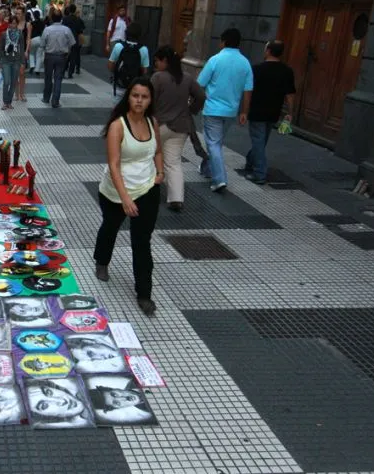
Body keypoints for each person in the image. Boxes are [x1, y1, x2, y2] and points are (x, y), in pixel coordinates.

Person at [93, 77, 163, 316]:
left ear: (150, 100)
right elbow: (114, 165)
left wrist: (160, 173)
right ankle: (102, 261)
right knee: (110, 226)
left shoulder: (153, 122)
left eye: (144, 97)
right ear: (128, 97)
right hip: (116, 191)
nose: (139, 101)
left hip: (147, 188)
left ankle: (144, 293)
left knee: (142, 241)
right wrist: (125, 199)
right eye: (135, 96)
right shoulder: (118, 125)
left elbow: (158, 151)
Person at [196, 28, 254, 193]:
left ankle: (219, 179)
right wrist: (244, 112)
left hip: (212, 109)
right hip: (231, 111)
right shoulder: (245, 63)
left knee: (213, 143)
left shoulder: (215, 60)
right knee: (216, 142)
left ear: (223, 42)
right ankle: (207, 168)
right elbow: (248, 90)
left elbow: (200, 83)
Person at [150, 46, 206, 212]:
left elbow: (149, 99)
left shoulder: (158, 77)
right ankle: (176, 198)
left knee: (150, 157)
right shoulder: (187, 78)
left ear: (165, 61)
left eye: (157, 61)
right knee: (173, 162)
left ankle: (149, 190)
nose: (156, 64)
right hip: (181, 127)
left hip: (159, 125)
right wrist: (192, 109)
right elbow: (201, 96)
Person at [244, 40, 295, 185]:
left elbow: (248, 91)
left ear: (268, 51)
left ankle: (260, 173)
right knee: (262, 140)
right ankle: (250, 161)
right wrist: (290, 112)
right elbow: (290, 94)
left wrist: (244, 110)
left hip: (257, 110)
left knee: (259, 141)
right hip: (274, 111)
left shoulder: (257, 69)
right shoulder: (287, 71)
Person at [39, 9, 75, 108]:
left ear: (52, 18)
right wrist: (67, 52)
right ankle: (55, 101)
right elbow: (72, 43)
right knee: (58, 79)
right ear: (61, 18)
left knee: (48, 77)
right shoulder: (66, 30)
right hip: (62, 56)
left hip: (49, 56)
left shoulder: (47, 30)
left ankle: (46, 98)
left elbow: (42, 44)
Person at [108, 22, 149, 95]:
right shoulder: (144, 49)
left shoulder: (118, 46)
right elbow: (145, 71)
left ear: (126, 33)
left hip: (120, 85)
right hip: (135, 87)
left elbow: (110, 66)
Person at [0, 15, 26, 110]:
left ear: (17, 24)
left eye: (15, 23)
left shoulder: (20, 34)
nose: (13, 25)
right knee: (7, 82)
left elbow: (22, 48)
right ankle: (5, 102)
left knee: (13, 82)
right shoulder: (4, 34)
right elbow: (0, 48)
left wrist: (23, 62)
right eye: (11, 23)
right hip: (5, 60)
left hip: (16, 61)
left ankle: (9, 102)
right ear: (9, 24)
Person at [63, 4, 86, 78]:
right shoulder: (77, 19)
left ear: (69, 10)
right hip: (75, 39)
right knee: (73, 57)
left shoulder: (65, 19)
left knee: (64, 55)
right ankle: (70, 73)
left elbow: (63, 28)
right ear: (75, 10)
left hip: (66, 39)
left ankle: (63, 71)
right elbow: (80, 29)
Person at [26, 0, 45, 76]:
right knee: (39, 55)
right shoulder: (42, 23)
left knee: (31, 53)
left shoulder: (32, 22)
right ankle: (37, 69)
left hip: (33, 39)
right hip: (40, 39)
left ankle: (32, 66)